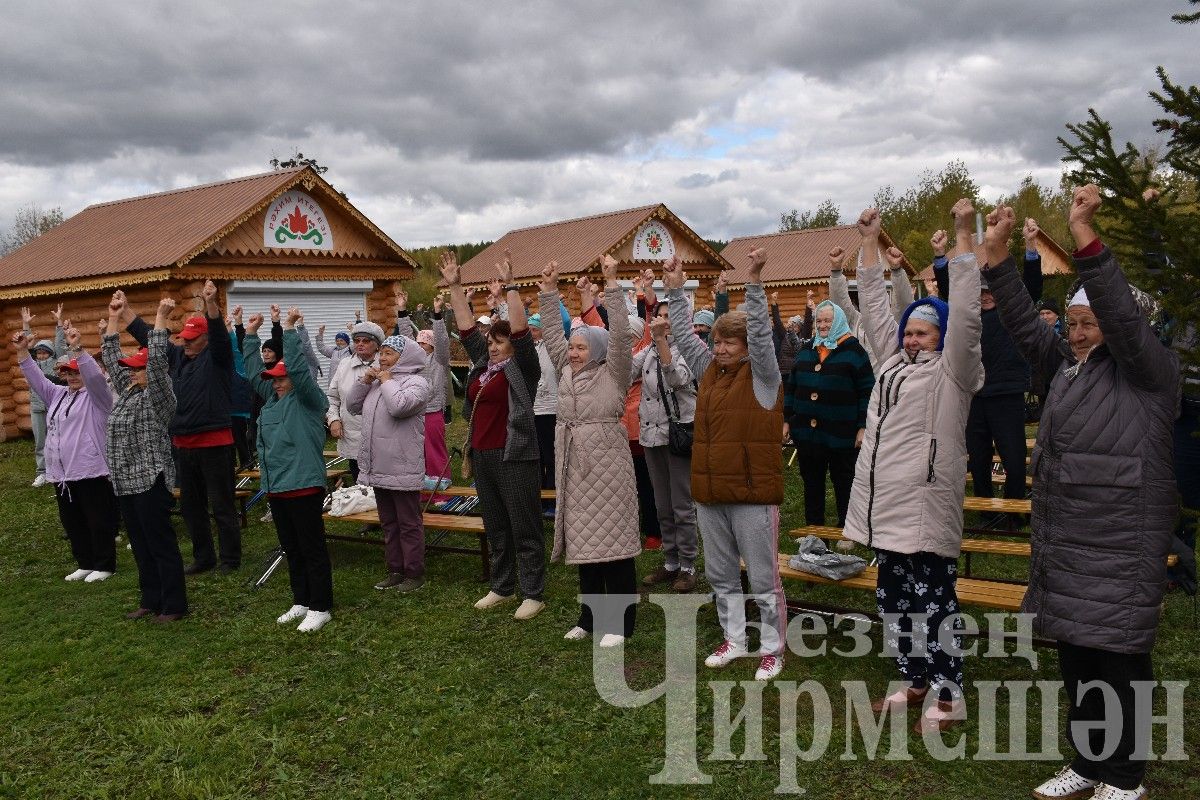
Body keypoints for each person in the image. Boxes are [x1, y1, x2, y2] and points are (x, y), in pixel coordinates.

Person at [983, 189, 1178, 800]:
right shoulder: (1067, 365)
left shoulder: (1149, 372)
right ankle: (1091, 763)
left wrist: (1083, 235)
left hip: (1121, 539)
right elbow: (1020, 320)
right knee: (1079, 661)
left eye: (1088, 324)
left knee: (1118, 662)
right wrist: (996, 261)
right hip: (1070, 540)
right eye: (1071, 323)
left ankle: (1125, 777)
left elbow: (1119, 313)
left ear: (1124, 328)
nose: (1078, 333)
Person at [841, 201, 984, 733]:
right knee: (896, 603)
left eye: (923, 332)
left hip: (926, 510)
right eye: (910, 332)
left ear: (942, 338)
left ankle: (950, 695)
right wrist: (870, 242)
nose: (911, 338)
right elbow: (875, 309)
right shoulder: (889, 366)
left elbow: (966, 317)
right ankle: (915, 678)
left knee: (936, 605)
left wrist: (965, 240)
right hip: (885, 511)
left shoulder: (955, 374)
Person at [665, 247, 787, 682]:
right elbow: (683, 337)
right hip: (711, 493)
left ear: (745, 346)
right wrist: (675, 291)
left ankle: (772, 648)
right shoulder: (709, 372)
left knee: (762, 577)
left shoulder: (764, 376)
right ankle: (735, 639)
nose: (718, 349)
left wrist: (753, 281)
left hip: (753, 496)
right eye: (716, 341)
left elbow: (759, 335)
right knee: (720, 574)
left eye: (726, 342)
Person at [539, 256, 641, 646]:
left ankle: (621, 622)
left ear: (595, 349)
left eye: (582, 347)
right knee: (584, 540)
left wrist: (612, 283)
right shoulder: (567, 368)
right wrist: (549, 292)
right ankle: (589, 616)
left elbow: (618, 336)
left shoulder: (613, 370)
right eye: (573, 347)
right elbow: (552, 336)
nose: (575, 352)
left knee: (612, 543)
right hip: (572, 462)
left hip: (607, 464)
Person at [440, 250, 546, 620]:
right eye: (492, 342)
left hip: (515, 454)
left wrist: (513, 288)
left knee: (525, 526)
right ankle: (502, 587)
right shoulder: (483, 368)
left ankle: (533, 592)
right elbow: (468, 329)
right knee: (496, 524)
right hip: (482, 454)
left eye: (500, 342)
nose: (494, 346)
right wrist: (455, 286)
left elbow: (520, 332)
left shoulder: (522, 370)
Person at [120, 279, 239, 575]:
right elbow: (152, 338)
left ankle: (230, 559)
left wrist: (211, 303)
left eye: (191, 339)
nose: (185, 343)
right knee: (191, 507)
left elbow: (220, 337)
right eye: (183, 338)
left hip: (215, 444)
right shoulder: (177, 358)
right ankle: (203, 557)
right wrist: (125, 312)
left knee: (221, 506)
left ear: (205, 339)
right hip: (184, 445)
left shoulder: (218, 358)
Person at [933, 219, 1040, 505]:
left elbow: (1031, 289)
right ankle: (984, 507)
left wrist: (1031, 247)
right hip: (975, 393)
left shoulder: (1012, 314)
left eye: (991, 291)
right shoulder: (969, 316)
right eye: (981, 291)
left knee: (1013, 454)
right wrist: (940, 258)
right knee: (978, 455)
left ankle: (1014, 509)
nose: (986, 296)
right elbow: (950, 291)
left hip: (1007, 392)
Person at [243, 307, 335, 632]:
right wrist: (250, 335)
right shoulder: (272, 401)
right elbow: (255, 374)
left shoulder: (308, 399)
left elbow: (296, 367)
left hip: (304, 485)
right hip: (277, 487)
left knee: (311, 548)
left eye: (282, 378)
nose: (277, 383)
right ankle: (301, 600)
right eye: (275, 379)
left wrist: (292, 331)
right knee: (291, 547)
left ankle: (321, 606)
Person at [101, 293, 187, 622]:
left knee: (160, 544)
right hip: (125, 483)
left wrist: (161, 318)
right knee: (140, 545)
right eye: (132, 370)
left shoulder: (160, 396)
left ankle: (175, 605)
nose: (133, 373)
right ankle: (150, 599)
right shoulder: (129, 391)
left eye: (138, 370)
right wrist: (113, 317)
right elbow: (111, 358)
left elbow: (156, 362)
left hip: (151, 480)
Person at [16, 321, 118, 582]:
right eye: (66, 373)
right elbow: (35, 379)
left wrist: (78, 349)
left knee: (98, 520)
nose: (72, 377)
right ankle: (85, 562)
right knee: (73, 522)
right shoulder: (58, 394)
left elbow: (94, 376)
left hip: (90, 470)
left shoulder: (98, 396)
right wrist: (21, 352)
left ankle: (104, 564)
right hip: (62, 474)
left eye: (75, 372)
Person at [347, 333, 432, 592]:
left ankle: (414, 573)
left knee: (408, 522)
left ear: (403, 357)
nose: (382, 359)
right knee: (389, 522)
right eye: (381, 353)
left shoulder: (418, 383)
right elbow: (352, 405)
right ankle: (395, 569)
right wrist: (365, 381)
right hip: (379, 467)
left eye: (388, 354)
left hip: (402, 466)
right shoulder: (377, 383)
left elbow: (399, 406)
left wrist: (386, 381)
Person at [783, 296, 874, 528]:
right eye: (819, 321)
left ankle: (847, 529)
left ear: (839, 321)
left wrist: (863, 427)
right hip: (808, 435)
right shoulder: (807, 349)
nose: (823, 326)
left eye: (828, 321)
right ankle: (815, 531)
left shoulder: (854, 351)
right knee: (812, 483)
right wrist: (786, 420)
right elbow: (792, 388)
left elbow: (867, 392)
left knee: (844, 482)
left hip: (841, 432)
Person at [635, 298, 700, 592]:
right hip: (650, 434)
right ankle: (670, 561)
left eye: (669, 316)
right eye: (658, 316)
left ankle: (688, 565)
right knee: (662, 504)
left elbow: (678, 379)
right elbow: (625, 373)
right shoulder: (647, 349)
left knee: (681, 504)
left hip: (678, 434)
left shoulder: (690, 349)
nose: (663, 321)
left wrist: (661, 341)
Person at [393, 290, 451, 490]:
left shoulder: (440, 360)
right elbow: (405, 338)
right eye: (418, 342)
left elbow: (443, 342)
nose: (419, 345)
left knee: (434, 450)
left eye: (424, 342)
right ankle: (421, 487)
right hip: (414, 411)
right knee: (417, 451)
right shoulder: (411, 361)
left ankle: (441, 486)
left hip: (433, 411)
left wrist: (437, 314)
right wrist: (402, 310)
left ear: (432, 346)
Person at [828, 244, 914, 374]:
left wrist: (896, 271)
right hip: (862, 389)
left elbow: (904, 304)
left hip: (888, 387)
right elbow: (840, 306)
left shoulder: (892, 322)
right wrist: (836, 271)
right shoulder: (856, 322)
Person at [326, 318, 385, 484]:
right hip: (352, 433)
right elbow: (332, 397)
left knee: (381, 482)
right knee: (359, 479)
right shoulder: (344, 365)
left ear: (377, 344)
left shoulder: (387, 364)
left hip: (381, 434)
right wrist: (334, 420)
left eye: (366, 341)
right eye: (357, 340)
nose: (360, 344)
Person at [20, 303, 66, 487]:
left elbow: (61, 345)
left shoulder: (57, 361)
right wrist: (26, 326)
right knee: (40, 441)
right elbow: (25, 350)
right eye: (38, 352)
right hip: (37, 408)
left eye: (44, 352)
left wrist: (59, 323)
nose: (40, 355)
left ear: (50, 353)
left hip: (55, 407)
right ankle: (42, 472)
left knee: (60, 438)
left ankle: (60, 469)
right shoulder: (33, 365)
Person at [527, 312, 560, 511]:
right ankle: (539, 499)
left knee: (551, 456)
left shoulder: (551, 349)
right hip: (532, 409)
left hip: (550, 409)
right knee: (536, 456)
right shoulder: (526, 350)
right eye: (529, 330)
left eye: (535, 329)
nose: (531, 333)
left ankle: (553, 498)